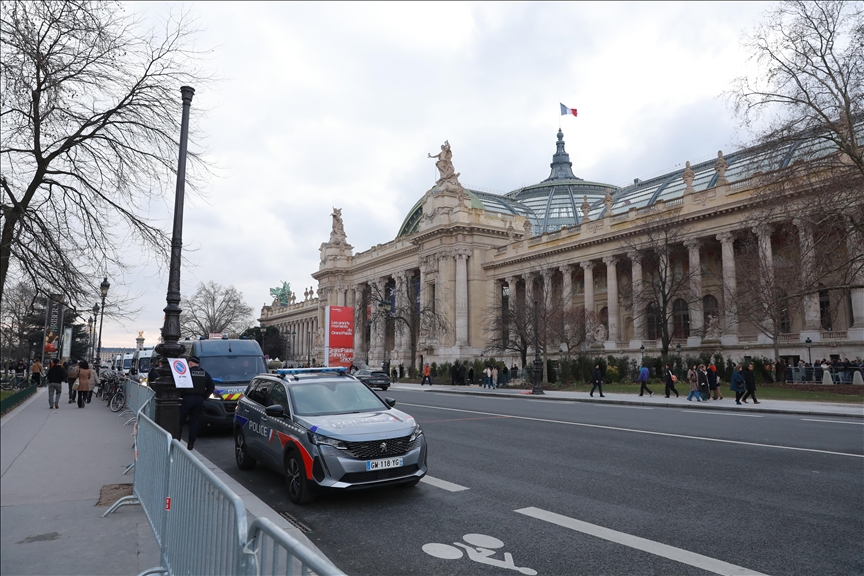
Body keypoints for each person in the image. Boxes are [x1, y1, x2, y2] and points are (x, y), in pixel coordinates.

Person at [180, 356, 215, 451]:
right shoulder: (205, 374)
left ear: (190, 364)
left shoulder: (187, 373)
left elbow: (179, 385)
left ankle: (177, 440)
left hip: (187, 398)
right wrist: (204, 397)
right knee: (194, 422)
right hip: (199, 399)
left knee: (181, 421)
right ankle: (191, 444)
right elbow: (211, 387)